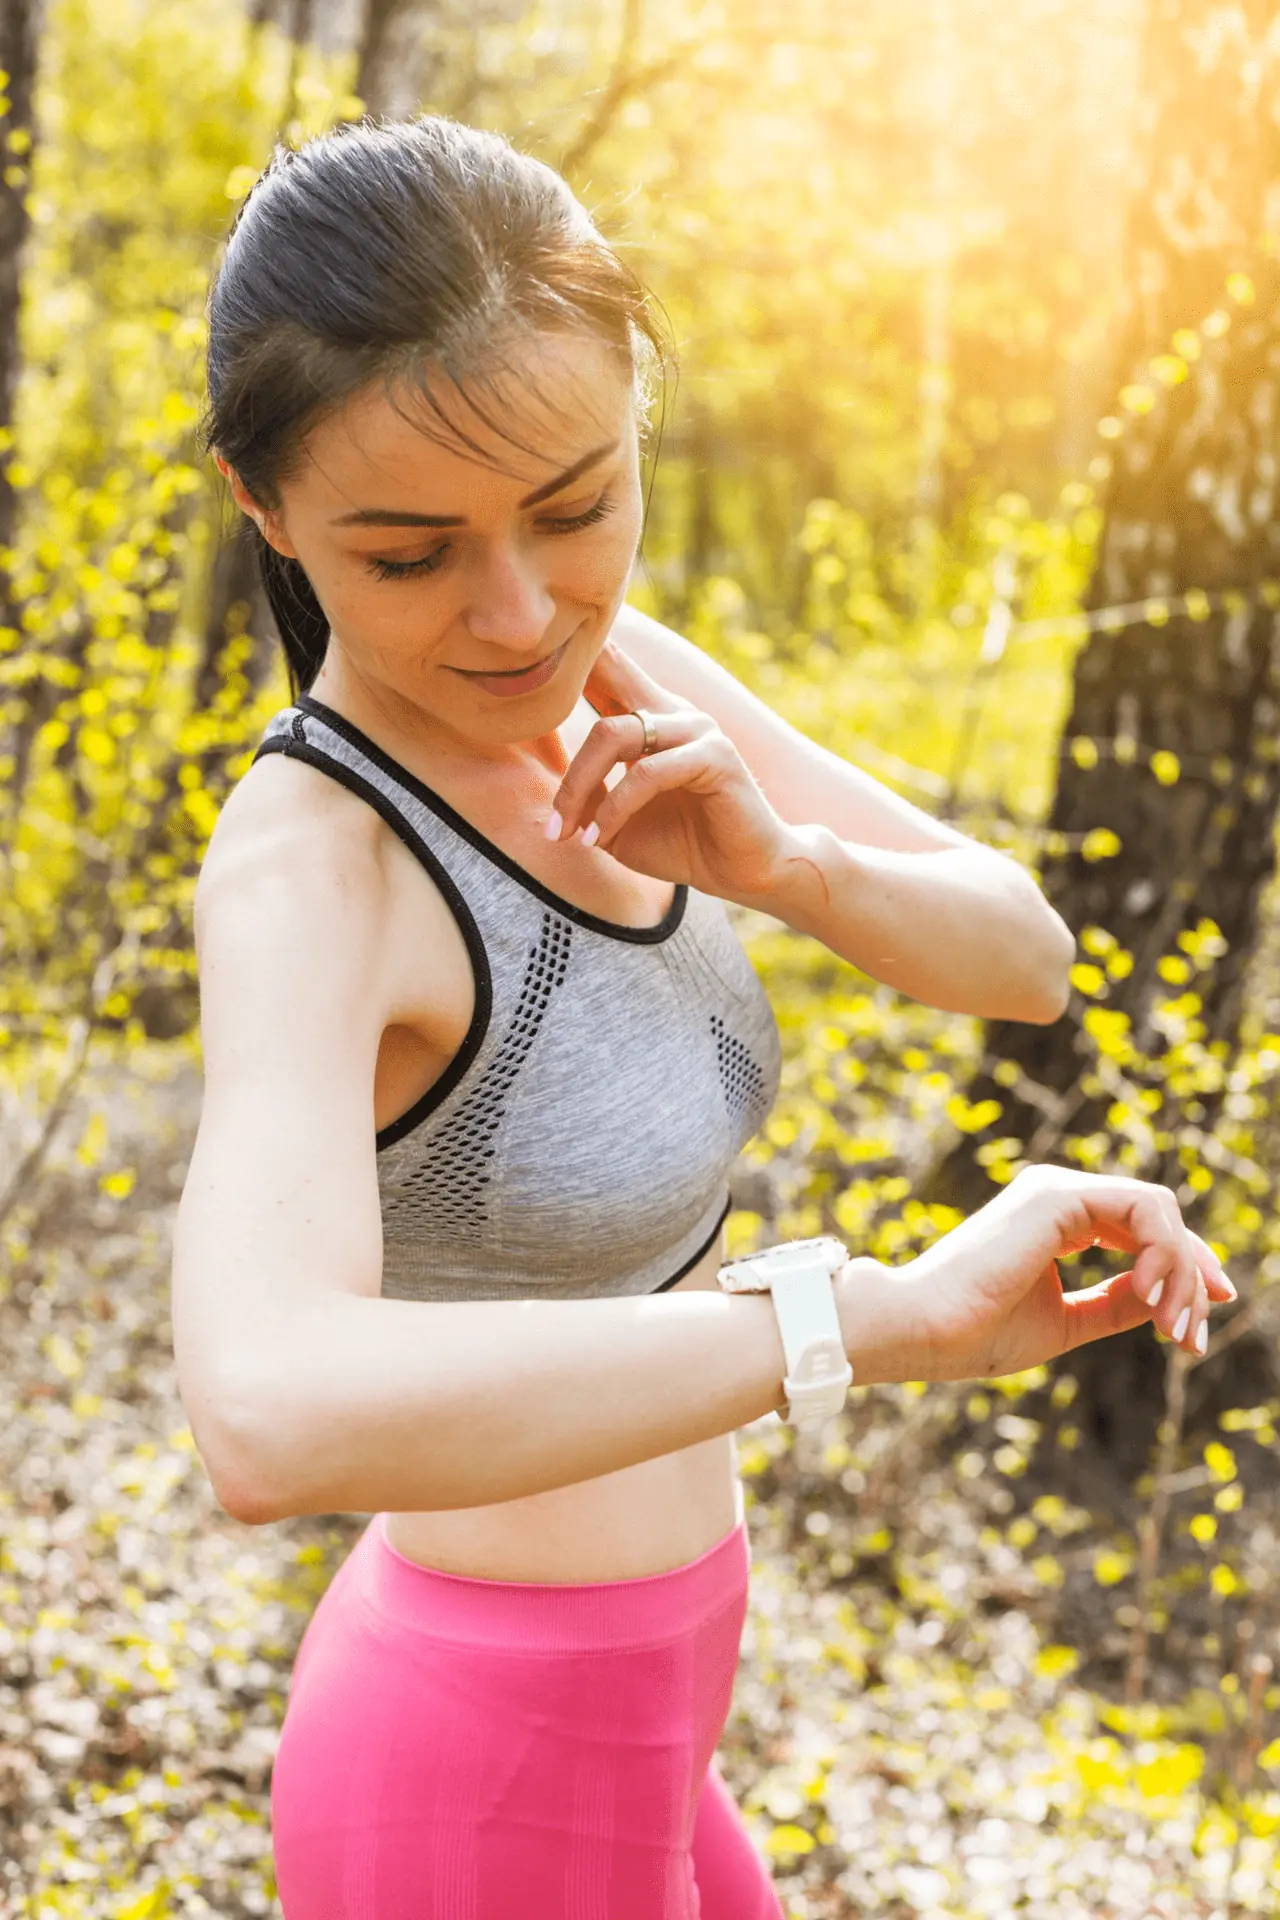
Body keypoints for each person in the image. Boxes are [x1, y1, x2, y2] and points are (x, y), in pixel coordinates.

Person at [170, 114, 1236, 1920]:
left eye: (576, 507)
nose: (520, 616)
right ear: (266, 509)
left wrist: (793, 867)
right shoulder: (314, 865)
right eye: (411, 553)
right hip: (474, 1757)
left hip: (645, 1726)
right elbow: (264, 1410)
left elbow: (1025, 954)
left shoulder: (624, 671)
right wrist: (860, 1322)